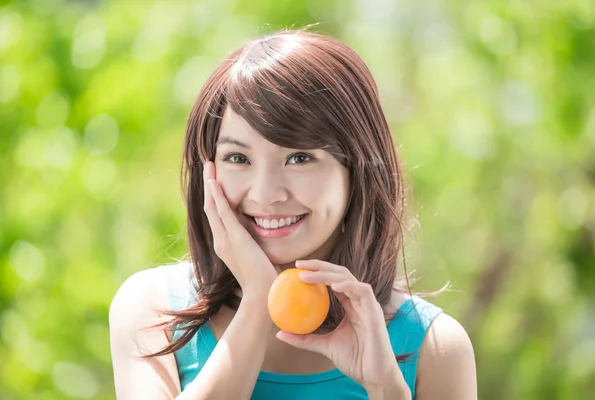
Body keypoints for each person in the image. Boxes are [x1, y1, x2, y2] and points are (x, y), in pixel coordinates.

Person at [109, 29, 477, 399]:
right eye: (238, 158)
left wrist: (385, 388)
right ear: (208, 171)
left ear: (359, 169)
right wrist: (258, 301)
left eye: (300, 157)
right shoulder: (154, 310)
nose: (267, 194)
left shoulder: (435, 347)